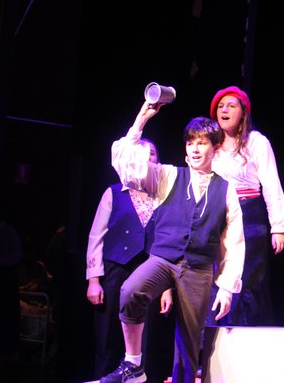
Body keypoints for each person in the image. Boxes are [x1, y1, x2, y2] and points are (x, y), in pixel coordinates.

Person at [102, 101, 245, 383]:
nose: (195, 149)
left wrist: (227, 287)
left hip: (198, 268)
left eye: (202, 143)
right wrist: (140, 120)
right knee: (131, 290)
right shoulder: (168, 175)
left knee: (189, 342)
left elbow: (233, 241)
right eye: (191, 143)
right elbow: (127, 166)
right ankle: (133, 365)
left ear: (215, 148)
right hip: (164, 259)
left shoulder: (226, 190)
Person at [85, 138, 175, 382]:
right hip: (116, 269)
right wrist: (94, 280)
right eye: (141, 154)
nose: (147, 158)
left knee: (146, 338)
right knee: (108, 336)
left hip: (151, 272)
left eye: (152, 154)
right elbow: (96, 236)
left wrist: (167, 287)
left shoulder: (163, 197)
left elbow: (167, 241)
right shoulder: (114, 193)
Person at [204, 86, 284, 327]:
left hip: (248, 214)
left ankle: (246, 336)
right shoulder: (211, 144)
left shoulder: (257, 142)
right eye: (220, 107)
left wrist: (279, 226)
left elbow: (271, 183)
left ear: (243, 112)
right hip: (218, 214)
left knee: (248, 279)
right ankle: (215, 337)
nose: (225, 110)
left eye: (231, 106)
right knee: (217, 276)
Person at [0, 211, 22, 365]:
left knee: (6, 314)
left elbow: (17, 255)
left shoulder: (8, 231)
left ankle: (8, 351)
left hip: (5, 279)